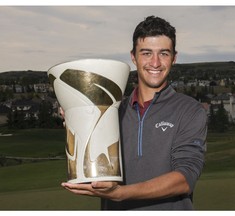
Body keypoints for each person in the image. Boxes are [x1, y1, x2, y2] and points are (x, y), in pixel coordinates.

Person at [61, 15, 207, 210]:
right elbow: (95, 167)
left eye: (163, 53)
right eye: (146, 53)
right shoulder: (112, 110)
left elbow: (185, 179)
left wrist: (120, 193)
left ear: (174, 57)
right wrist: (78, 123)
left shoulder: (189, 110)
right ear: (133, 57)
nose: (155, 63)